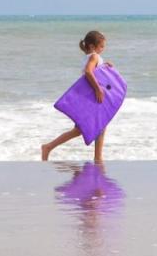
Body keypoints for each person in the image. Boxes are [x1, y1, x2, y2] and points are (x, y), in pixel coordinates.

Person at [42, 31, 112, 162]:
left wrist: (105, 66)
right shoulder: (94, 57)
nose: (103, 49)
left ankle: (97, 157)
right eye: (101, 46)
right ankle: (48, 147)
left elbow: (96, 72)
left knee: (93, 127)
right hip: (91, 97)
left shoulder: (91, 57)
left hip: (87, 97)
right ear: (92, 46)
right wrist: (98, 89)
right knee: (91, 127)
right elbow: (88, 72)